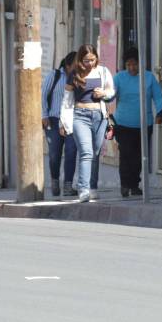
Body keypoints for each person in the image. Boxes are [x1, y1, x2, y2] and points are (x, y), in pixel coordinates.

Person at [59, 44, 116, 203]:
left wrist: (103, 93)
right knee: (86, 152)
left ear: (96, 58)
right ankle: (83, 189)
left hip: (99, 115)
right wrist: (64, 122)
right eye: (86, 60)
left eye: (92, 59)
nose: (89, 63)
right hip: (80, 116)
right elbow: (67, 99)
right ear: (80, 60)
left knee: (95, 153)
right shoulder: (74, 74)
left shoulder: (103, 72)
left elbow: (112, 92)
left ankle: (92, 187)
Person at [113, 47, 162, 198]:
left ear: (140, 63)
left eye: (134, 64)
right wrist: (104, 96)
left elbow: (158, 96)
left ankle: (135, 185)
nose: (131, 68)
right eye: (128, 64)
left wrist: (160, 112)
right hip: (122, 123)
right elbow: (111, 94)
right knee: (126, 154)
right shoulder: (119, 78)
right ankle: (125, 184)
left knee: (139, 157)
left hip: (144, 124)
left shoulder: (148, 78)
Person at [41, 52, 79, 198]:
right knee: (54, 154)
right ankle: (55, 181)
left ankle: (68, 186)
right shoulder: (55, 75)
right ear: (68, 65)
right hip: (54, 120)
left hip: (72, 120)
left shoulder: (79, 78)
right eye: (75, 65)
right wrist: (44, 115)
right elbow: (43, 95)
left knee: (71, 152)